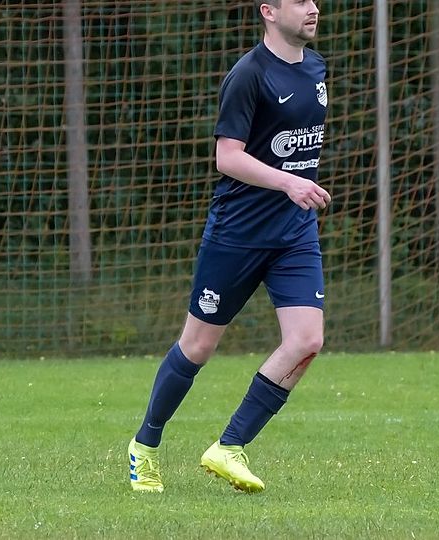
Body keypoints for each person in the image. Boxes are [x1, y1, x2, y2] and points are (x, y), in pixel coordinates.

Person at [128, 0, 330, 494]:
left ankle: (230, 446)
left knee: (307, 341)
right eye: (300, 1)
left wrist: (295, 189)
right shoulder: (248, 75)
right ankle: (144, 446)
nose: (313, 8)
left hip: (294, 232)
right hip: (238, 233)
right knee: (198, 346)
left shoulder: (317, 68)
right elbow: (228, 158)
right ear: (268, 12)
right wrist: (288, 182)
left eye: (313, 0)